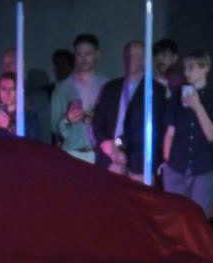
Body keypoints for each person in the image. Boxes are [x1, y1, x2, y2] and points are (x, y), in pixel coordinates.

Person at [160, 50, 213, 212]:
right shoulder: (177, 97)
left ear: (205, 68)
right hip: (176, 165)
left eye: (191, 67)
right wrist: (166, 161)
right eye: (185, 68)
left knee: (198, 216)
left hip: (203, 167)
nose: (187, 72)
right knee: (175, 215)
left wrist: (197, 106)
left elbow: (211, 134)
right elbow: (169, 133)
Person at [94, 40, 154, 177]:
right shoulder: (111, 87)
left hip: (139, 161)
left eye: (134, 56)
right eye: (127, 56)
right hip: (109, 157)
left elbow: (149, 128)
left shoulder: (154, 90)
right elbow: (98, 122)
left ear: (144, 60)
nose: (129, 59)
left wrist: (119, 144)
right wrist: (109, 146)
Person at [51, 33, 105, 163]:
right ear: (74, 55)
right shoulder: (62, 88)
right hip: (71, 153)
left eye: (88, 54)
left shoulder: (108, 86)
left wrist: (96, 119)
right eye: (79, 54)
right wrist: (67, 119)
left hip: (99, 154)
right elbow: (53, 126)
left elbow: (116, 124)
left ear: (97, 54)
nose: (83, 59)